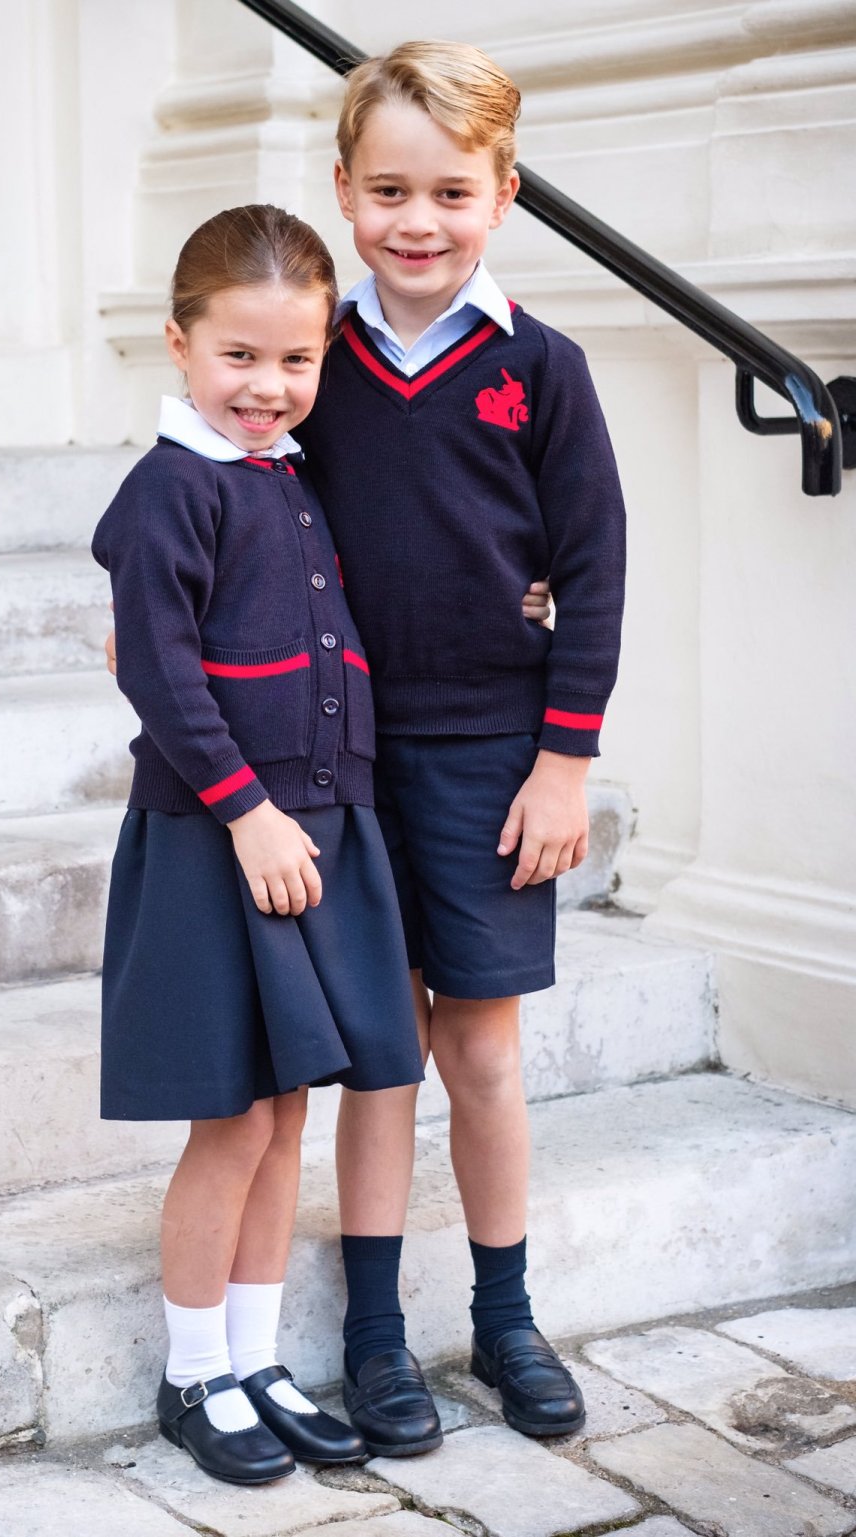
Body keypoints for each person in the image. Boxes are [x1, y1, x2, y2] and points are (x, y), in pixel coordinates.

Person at [294, 40, 626, 1447]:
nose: (414, 221)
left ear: (503, 196)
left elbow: (594, 567)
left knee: (477, 1050)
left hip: (491, 759)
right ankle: (377, 1341)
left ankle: (504, 1319)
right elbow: (239, 500)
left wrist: (566, 759)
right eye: (386, 190)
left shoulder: (540, 368)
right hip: (347, 760)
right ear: (344, 190)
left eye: (448, 191)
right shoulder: (315, 358)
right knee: (382, 1054)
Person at [91, 202, 428, 1485]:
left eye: (296, 362)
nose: (269, 386)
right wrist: (248, 810)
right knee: (229, 1121)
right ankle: (192, 1377)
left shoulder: (280, 469)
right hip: (220, 839)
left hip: (312, 834)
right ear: (178, 345)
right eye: (239, 357)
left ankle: (255, 1353)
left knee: (288, 1113)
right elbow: (165, 680)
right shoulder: (169, 491)